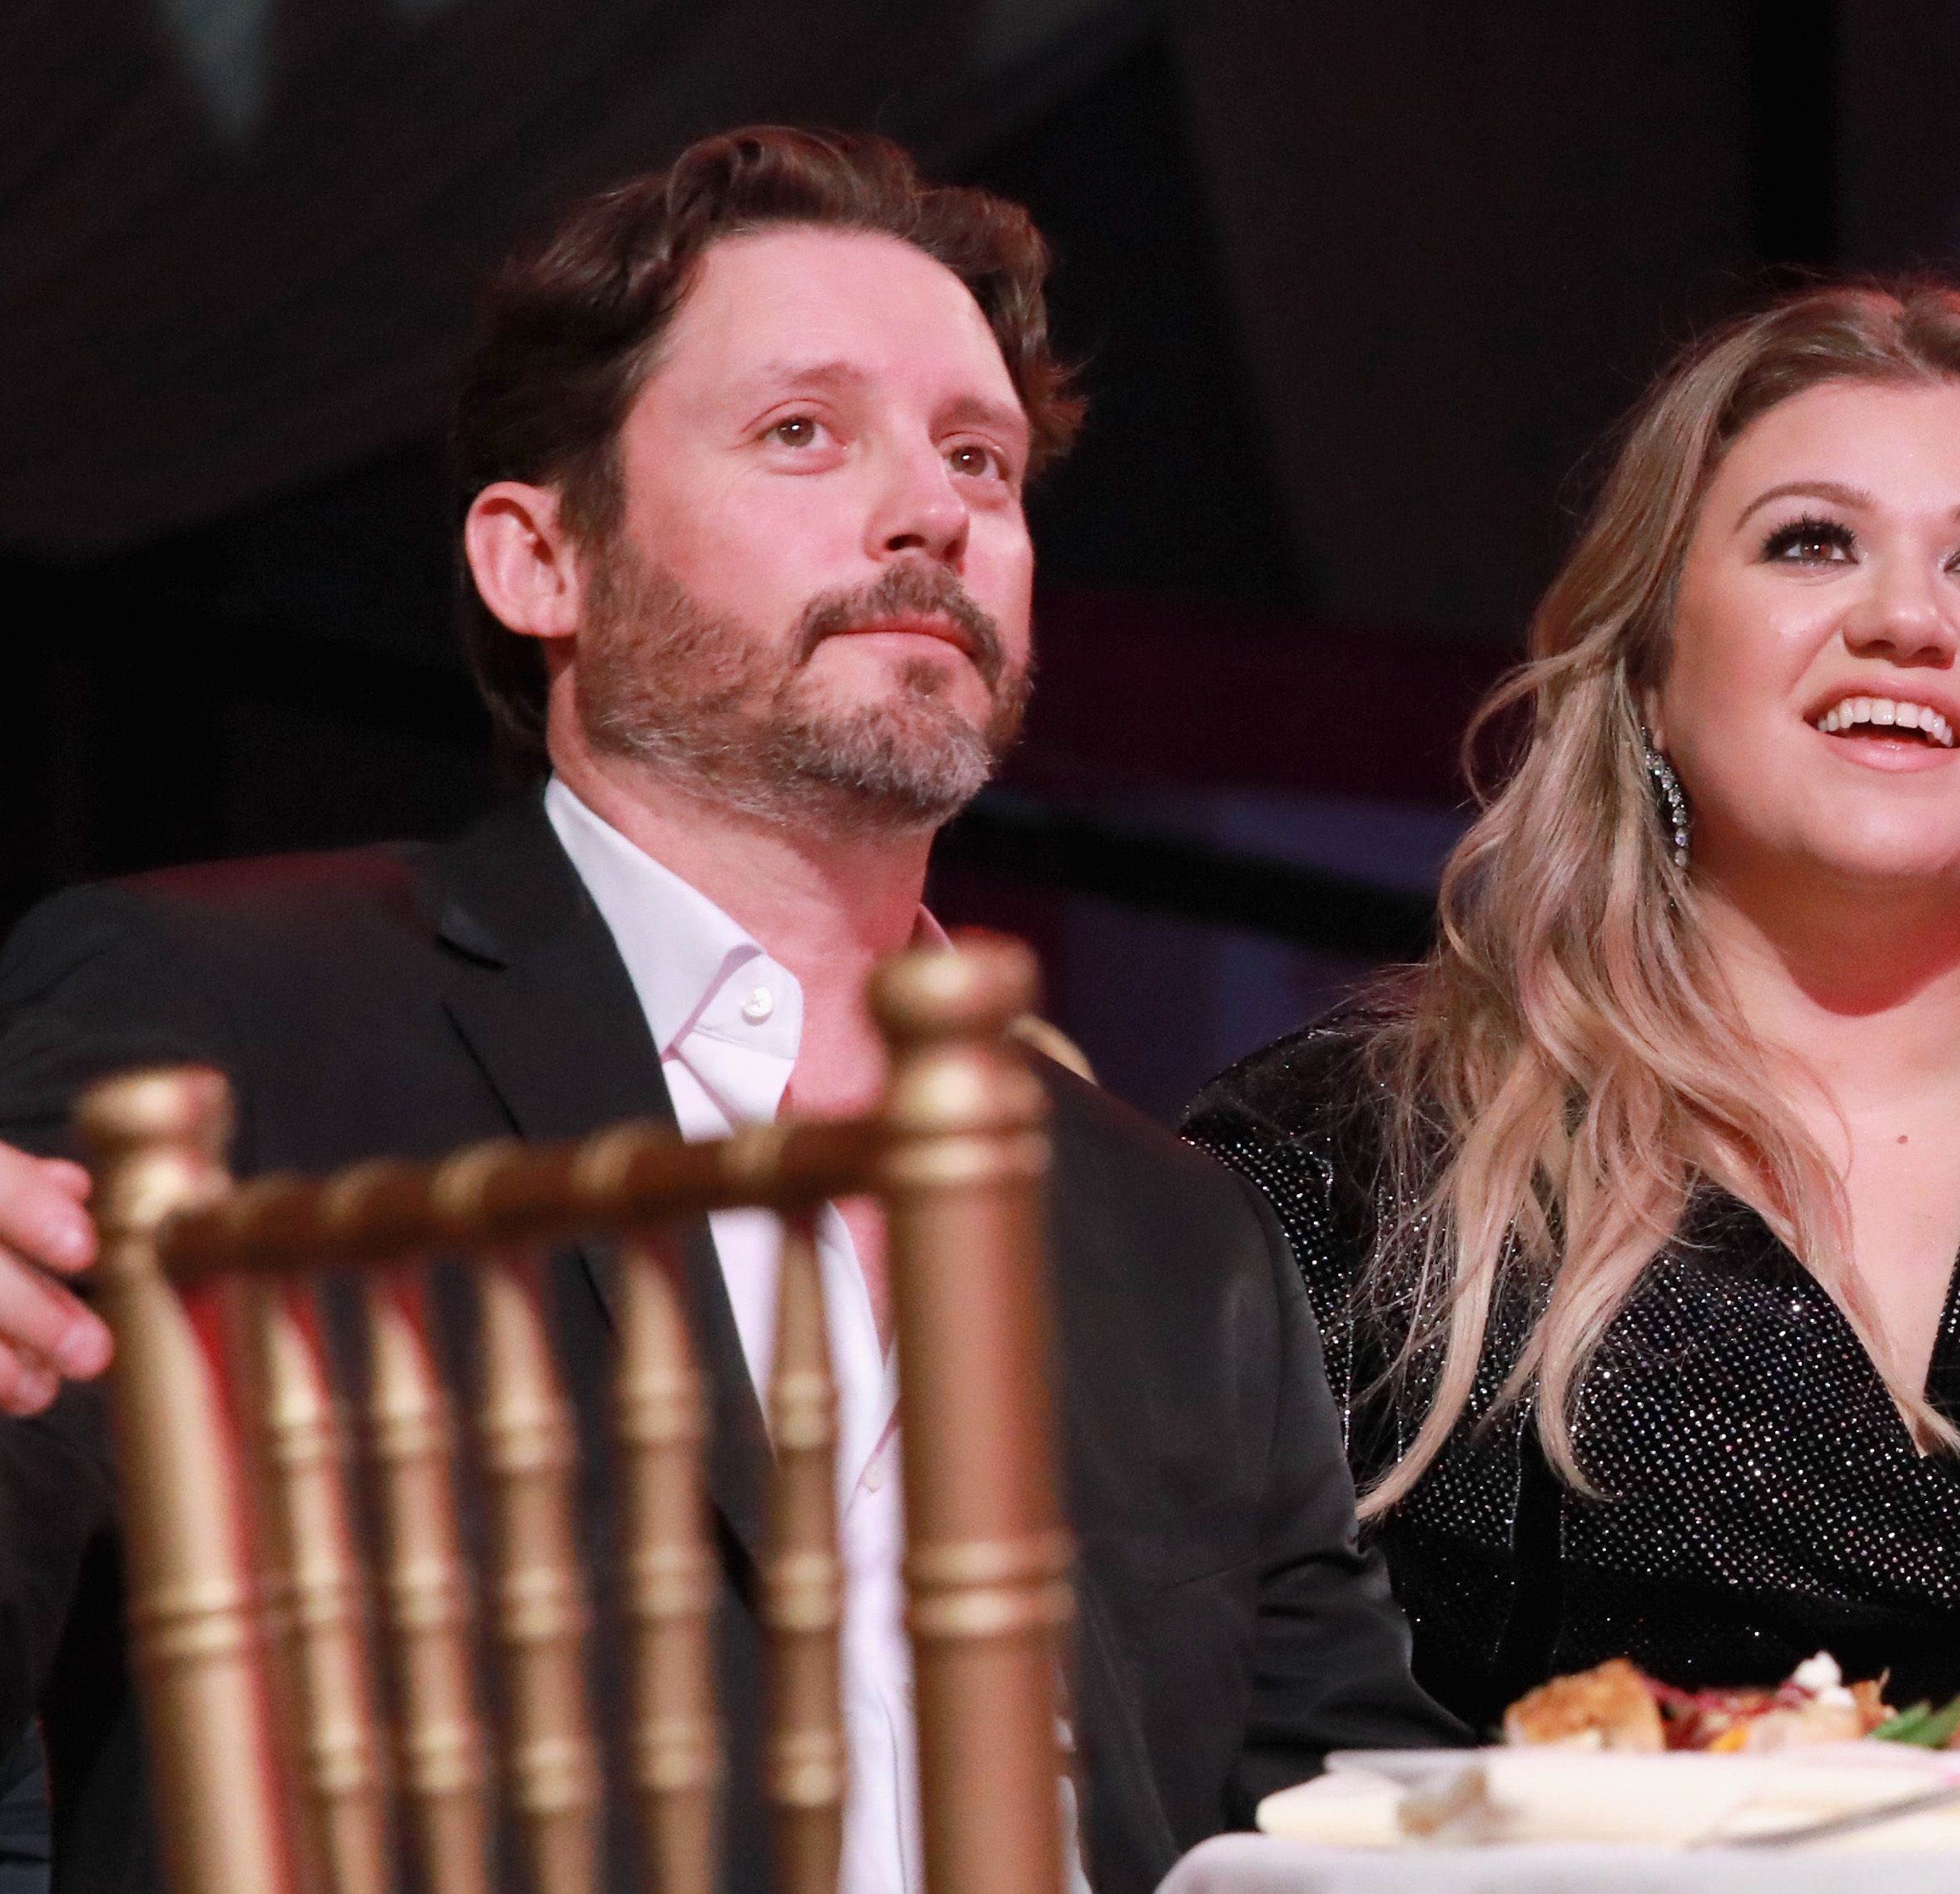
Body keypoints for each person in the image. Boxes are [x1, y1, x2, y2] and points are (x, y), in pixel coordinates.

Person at [0, 127, 1460, 1894]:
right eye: (802, 433)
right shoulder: (229, 1012)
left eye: (980, 460)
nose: (934, 510)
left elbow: (1359, 1819)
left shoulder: (1177, 1224)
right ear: (543, 561)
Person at [1180, 282, 1960, 1732]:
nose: (1906, 619)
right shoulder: (1341, 1164)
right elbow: (1203, 1760)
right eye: (1813, 542)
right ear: (1648, 670)